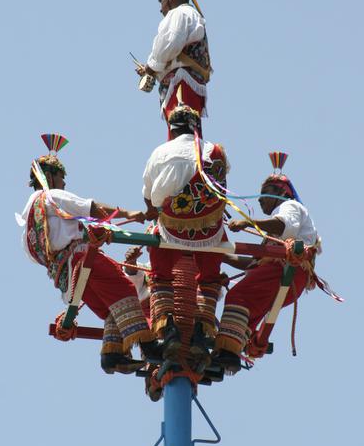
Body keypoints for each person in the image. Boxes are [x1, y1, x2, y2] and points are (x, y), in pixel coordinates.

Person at [17, 148, 161, 374]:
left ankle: (113, 354)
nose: (63, 184)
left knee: (112, 310)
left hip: (69, 280)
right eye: (62, 179)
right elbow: (91, 208)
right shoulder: (52, 196)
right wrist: (130, 214)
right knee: (124, 290)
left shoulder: (27, 220)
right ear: (51, 176)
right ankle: (149, 346)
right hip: (84, 260)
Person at [142, 103, 228, 368]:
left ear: (171, 128)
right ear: (196, 127)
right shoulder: (216, 151)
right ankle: (202, 334)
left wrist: (150, 213)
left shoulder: (160, 151)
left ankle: (169, 330)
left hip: (172, 226)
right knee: (210, 276)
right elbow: (222, 190)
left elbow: (148, 196)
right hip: (210, 231)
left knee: (159, 274)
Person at [213, 160, 319, 373]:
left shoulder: (290, 207)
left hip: (287, 269)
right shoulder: (273, 235)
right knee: (248, 313)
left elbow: (284, 226)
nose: (260, 199)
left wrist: (248, 223)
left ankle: (227, 355)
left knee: (237, 297)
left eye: (265, 192)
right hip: (286, 275)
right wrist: (219, 255)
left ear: (282, 192)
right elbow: (252, 264)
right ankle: (229, 353)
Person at [135, 0, 212, 134]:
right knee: (189, 135)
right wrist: (151, 69)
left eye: (161, 1)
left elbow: (169, 45)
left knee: (181, 135)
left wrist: (151, 68)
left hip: (182, 84)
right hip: (185, 81)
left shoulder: (180, 14)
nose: (160, 7)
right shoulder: (190, 14)